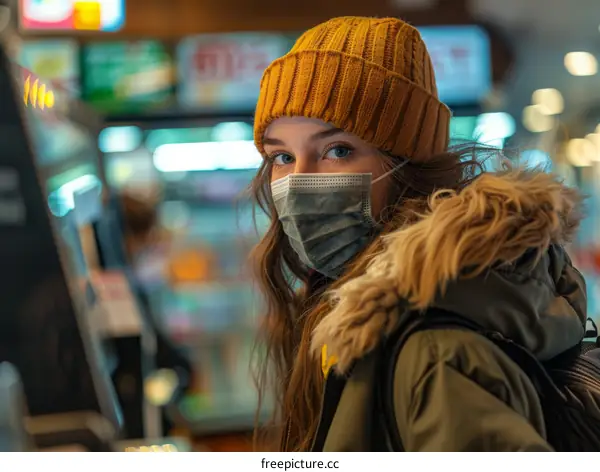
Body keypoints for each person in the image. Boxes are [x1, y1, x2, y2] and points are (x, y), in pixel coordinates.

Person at [249, 16, 587, 452]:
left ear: (407, 166)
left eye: (338, 150)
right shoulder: (352, 315)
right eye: (281, 156)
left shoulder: (433, 348)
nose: (298, 181)